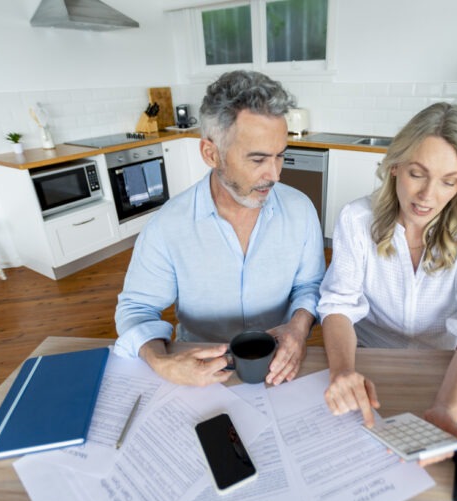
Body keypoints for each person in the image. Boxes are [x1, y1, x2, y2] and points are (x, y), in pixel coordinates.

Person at [318, 102, 457, 465]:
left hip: (448, 365)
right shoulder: (357, 219)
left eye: (448, 181)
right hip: (370, 361)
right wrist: (343, 370)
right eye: (417, 174)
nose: (427, 196)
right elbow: (338, 305)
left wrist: (446, 408)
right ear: (395, 167)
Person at [114, 70, 325, 387]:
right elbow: (137, 308)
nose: (275, 175)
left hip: (280, 368)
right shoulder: (167, 226)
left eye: (280, 156)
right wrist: (162, 362)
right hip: (198, 373)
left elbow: (310, 285)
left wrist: (298, 326)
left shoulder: (301, 210)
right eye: (258, 160)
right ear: (211, 153)